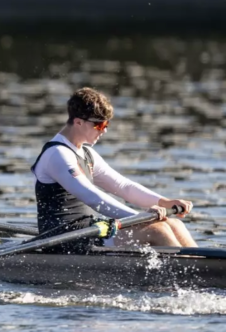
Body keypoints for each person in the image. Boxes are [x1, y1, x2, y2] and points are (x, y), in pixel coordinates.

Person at [30, 87, 196, 252]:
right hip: (61, 239)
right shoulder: (57, 154)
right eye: (99, 125)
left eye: (106, 124)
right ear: (78, 122)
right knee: (157, 229)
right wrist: (139, 219)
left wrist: (163, 202)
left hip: (88, 230)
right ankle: (191, 275)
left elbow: (123, 187)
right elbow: (92, 197)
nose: (105, 130)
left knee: (173, 223)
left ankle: (200, 267)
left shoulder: (86, 153)